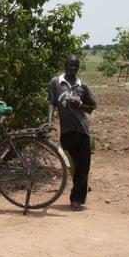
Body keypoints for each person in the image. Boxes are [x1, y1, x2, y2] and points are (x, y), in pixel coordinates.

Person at [47, 54, 97, 211]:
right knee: (73, 165)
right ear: (65, 65)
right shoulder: (56, 83)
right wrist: (49, 121)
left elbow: (91, 108)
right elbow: (52, 102)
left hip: (82, 131)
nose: (73, 68)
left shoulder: (83, 86)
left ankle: (76, 199)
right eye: (70, 65)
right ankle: (82, 186)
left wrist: (79, 104)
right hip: (67, 132)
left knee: (84, 165)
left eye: (76, 66)